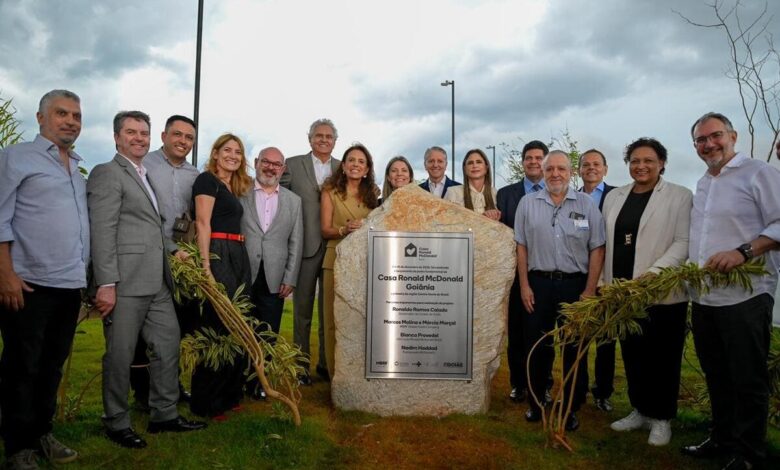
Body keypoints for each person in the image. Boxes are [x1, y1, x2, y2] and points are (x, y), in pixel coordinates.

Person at [88, 111, 206, 450]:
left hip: (157, 281)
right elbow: (102, 231)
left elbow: (152, 229)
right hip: (124, 283)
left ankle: (164, 414)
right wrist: (106, 283)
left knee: (168, 344)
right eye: (131, 132)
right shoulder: (107, 173)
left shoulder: (144, 175)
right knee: (120, 355)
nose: (139, 138)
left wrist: (174, 251)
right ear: (116, 137)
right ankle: (116, 421)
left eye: (143, 133)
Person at [682, 112, 780, 470]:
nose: (709, 144)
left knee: (747, 378)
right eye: (701, 140)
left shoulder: (759, 173)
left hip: (746, 296)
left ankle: (749, 452)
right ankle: (721, 438)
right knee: (717, 374)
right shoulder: (703, 183)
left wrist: (743, 252)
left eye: (715, 136)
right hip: (706, 297)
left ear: (733, 136)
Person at [0, 90, 88, 468]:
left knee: (51, 367)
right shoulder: (16, 157)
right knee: (22, 367)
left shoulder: (76, 169)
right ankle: (18, 447)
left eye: (76, 116)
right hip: (28, 284)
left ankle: (41, 433)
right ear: (40, 117)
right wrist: (5, 274)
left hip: (69, 284)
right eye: (61, 113)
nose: (70, 121)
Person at [601, 138, 692, 446]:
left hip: (662, 293)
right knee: (633, 354)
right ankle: (640, 410)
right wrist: (604, 282)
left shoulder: (680, 196)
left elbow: (683, 241)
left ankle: (662, 418)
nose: (641, 166)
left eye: (648, 160)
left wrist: (654, 272)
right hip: (624, 293)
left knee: (663, 357)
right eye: (635, 161)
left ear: (661, 163)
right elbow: (607, 242)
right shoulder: (615, 197)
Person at [514, 150, 605, 432]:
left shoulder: (587, 204)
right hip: (537, 284)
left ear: (571, 173)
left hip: (575, 286)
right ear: (543, 172)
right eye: (550, 169)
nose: (555, 174)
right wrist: (524, 285)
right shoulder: (527, 203)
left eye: (561, 169)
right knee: (537, 346)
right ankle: (536, 401)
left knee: (574, 348)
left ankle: (571, 407)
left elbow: (597, 247)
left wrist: (590, 289)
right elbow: (521, 246)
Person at [132, 115, 200, 407]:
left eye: (189, 137)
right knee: (141, 332)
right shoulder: (143, 165)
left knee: (178, 328)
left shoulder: (195, 175)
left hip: (181, 261)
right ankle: (142, 393)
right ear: (163, 136)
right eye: (177, 134)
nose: (183, 141)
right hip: (148, 255)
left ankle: (171, 386)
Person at [190, 133, 253, 419]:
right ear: (215, 153)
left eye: (238, 152)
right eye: (227, 150)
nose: (233, 156)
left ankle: (229, 394)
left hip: (237, 253)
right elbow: (202, 223)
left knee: (237, 322)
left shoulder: (232, 186)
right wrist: (206, 267)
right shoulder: (207, 180)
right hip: (219, 252)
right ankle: (207, 401)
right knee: (217, 323)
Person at [280, 119, 341, 384]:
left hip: (334, 248)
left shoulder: (343, 167)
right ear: (310, 139)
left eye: (329, 136)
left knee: (329, 312)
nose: (324, 140)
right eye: (319, 135)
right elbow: (280, 200)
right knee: (302, 311)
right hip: (304, 247)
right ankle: (300, 368)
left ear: (335, 141)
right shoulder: (293, 165)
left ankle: (326, 365)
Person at [240, 147, 303, 399]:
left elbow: (296, 242)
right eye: (266, 162)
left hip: (275, 278)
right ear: (256, 162)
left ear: (283, 169)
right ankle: (236, 379)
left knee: (267, 333)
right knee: (240, 329)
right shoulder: (240, 191)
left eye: (276, 164)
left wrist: (290, 277)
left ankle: (259, 384)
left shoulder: (293, 201)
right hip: (243, 273)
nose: (270, 167)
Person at [320, 143, 380, 376]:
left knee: (360, 320)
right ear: (343, 166)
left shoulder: (373, 194)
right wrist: (344, 230)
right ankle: (335, 375)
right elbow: (325, 229)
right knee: (332, 319)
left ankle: (358, 376)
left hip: (365, 262)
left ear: (367, 169)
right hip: (335, 258)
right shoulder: (329, 192)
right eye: (351, 160)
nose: (356, 164)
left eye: (361, 162)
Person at [496, 140, 548, 404]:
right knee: (516, 332)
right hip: (515, 274)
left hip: (546, 272)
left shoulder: (557, 192)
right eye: (529, 158)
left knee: (543, 335)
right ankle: (518, 383)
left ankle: (543, 384)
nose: (533, 162)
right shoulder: (506, 194)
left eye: (539, 158)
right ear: (523, 162)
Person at [577, 148, 616, 412]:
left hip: (609, 277)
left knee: (606, 339)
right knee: (578, 338)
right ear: (579, 170)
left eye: (596, 164)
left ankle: (603, 393)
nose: (591, 168)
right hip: (580, 276)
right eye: (586, 164)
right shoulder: (572, 198)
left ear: (605, 168)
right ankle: (577, 389)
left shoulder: (617, 196)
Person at [444, 149, 500, 220]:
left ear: (486, 167)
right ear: (465, 169)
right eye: (470, 163)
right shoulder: (453, 192)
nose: (474, 165)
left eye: (478, 162)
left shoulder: (495, 193)